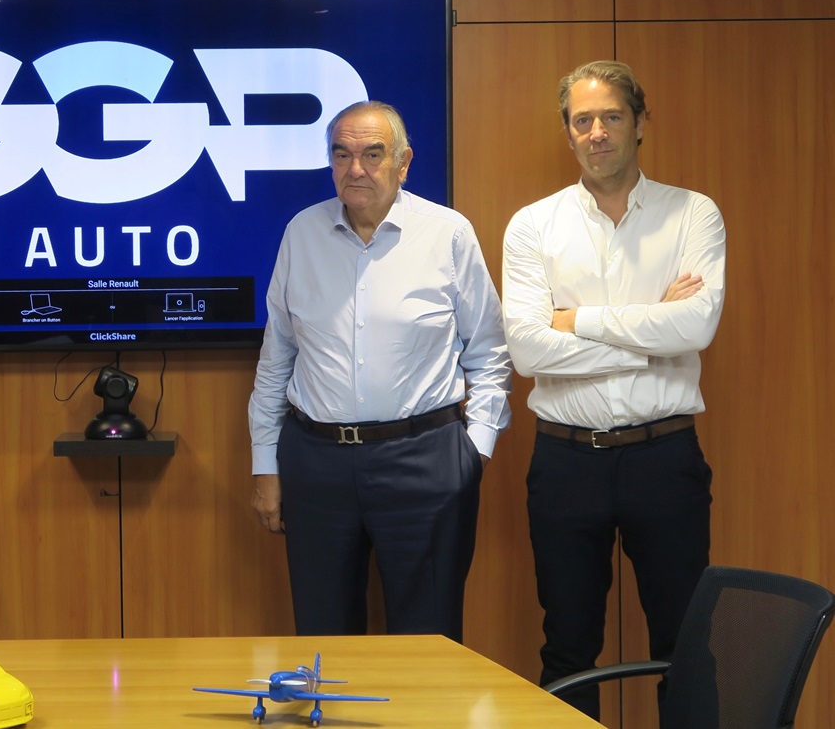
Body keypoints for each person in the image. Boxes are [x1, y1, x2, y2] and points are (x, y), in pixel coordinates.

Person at [501, 60, 725, 723]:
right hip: (565, 461)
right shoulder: (531, 226)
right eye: (581, 120)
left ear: (639, 123)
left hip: (665, 457)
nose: (596, 132)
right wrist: (649, 324)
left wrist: (579, 320)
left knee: (685, 642)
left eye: (610, 117)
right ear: (567, 133)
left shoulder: (692, 213)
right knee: (566, 646)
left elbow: (697, 324)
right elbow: (526, 349)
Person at [248, 100, 511, 639]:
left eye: (373, 154)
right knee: (323, 637)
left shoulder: (447, 233)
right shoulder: (302, 232)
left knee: (429, 639)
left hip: (426, 459)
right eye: (341, 155)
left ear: (404, 162)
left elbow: (489, 351)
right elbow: (276, 359)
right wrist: (265, 466)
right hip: (316, 462)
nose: (355, 169)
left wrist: (474, 453)